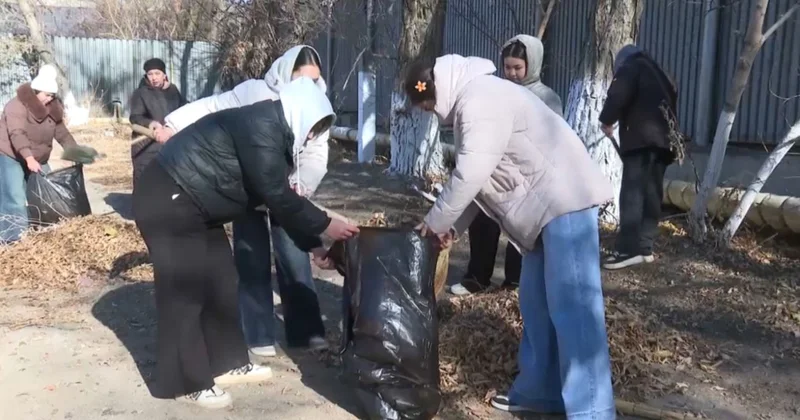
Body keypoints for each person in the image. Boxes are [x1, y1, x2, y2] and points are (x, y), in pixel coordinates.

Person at [407, 55, 616, 419]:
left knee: (575, 310)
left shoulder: (479, 99)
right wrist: (452, 228)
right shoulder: (474, 100)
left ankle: (592, 410)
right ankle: (541, 392)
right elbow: (481, 182)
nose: (427, 112)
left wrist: (435, 221)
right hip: (543, 214)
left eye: (424, 104)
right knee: (536, 305)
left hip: (566, 202)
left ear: (434, 90)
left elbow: (469, 174)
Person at [132, 76, 359, 409]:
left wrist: (315, 246)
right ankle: (187, 381)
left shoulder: (275, 136)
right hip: (168, 199)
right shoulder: (261, 128)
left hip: (197, 205)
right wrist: (328, 225)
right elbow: (279, 197)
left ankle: (226, 362)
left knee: (223, 282)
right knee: (185, 293)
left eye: (320, 128)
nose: (313, 135)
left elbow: (276, 203)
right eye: (314, 126)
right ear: (298, 112)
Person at [154, 45, 331, 356]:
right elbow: (213, 108)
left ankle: (307, 332)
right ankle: (258, 334)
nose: (308, 85)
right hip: (246, 189)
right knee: (251, 258)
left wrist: (301, 185)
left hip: (287, 190)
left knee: (294, 256)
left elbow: (317, 153)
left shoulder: (317, 105)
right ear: (285, 73)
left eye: (314, 80)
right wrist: (173, 125)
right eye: (302, 78)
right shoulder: (255, 91)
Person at [450, 34, 564, 296]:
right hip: (494, 172)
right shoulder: (497, 92)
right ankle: (477, 277)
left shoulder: (547, 99)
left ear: (532, 66)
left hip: (528, 180)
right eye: (507, 67)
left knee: (520, 231)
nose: (511, 73)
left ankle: (515, 281)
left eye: (518, 68)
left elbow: (553, 140)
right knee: (482, 221)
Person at [599, 45, 678, 270]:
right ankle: (645, 247)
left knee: (633, 193)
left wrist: (607, 119)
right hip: (664, 142)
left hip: (641, 140)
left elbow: (619, 93)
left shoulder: (630, 66)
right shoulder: (658, 72)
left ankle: (627, 250)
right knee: (652, 192)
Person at [0, 65, 79, 244]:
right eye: (46, 95)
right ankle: (13, 239)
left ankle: (41, 232)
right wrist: (28, 158)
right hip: (11, 154)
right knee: (14, 197)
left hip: (38, 156)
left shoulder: (52, 107)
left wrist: (75, 152)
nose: (49, 99)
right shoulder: (16, 105)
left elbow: (62, 133)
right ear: (36, 91)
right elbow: (16, 133)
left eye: (52, 96)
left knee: (44, 194)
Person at [128, 58, 187, 187]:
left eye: (157, 73)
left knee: (167, 183)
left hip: (168, 144)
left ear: (164, 75)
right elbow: (135, 117)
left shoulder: (173, 91)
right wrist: (151, 123)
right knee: (145, 181)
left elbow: (185, 110)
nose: (154, 78)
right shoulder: (141, 93)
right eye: (150, 74)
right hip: (146, 147)